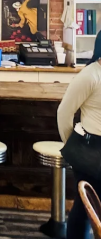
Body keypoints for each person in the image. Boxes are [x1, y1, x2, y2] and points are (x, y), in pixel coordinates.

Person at [57, 31, 101, 239]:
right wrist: (71, 145)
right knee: (86, 208)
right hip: (92, 150)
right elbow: (64, 113)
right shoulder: (90, 75)